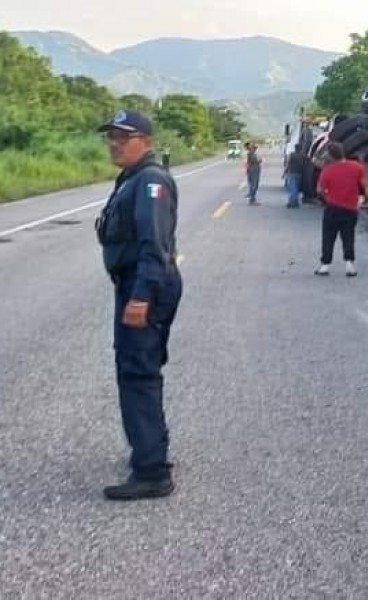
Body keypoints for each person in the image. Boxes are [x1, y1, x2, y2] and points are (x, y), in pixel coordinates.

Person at [94, 110, 183, 501]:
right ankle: (152, 449)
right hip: (137, 282)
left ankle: (151, 470)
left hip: (145, 283)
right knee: (142, 368)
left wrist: (141, 296)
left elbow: (154, 243)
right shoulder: (133, 177)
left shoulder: (150, 181)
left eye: (122, 137)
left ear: (144, 140)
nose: (114, 143)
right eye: (110, 136)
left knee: (137, 372)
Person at [315, 142, 368, 277]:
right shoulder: (357, 168)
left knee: (328, 237)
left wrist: (327, 198)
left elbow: (319, 190)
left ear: (330, 156)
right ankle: (350, 265)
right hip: (350, 209)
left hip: (332, 208)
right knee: (348, 236)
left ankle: (325, 265)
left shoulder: (327, 171)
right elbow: (366, 186)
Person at [284, 144, 304, 208]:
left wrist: (285, 172)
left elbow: (288, 164)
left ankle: (292, 202)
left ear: (295, 148)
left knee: (292, 188)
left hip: (292, 172)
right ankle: (295, 201)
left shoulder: (292, 155)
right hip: (299, 173)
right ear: (300, 149)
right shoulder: (302, 156)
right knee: (296, 188)